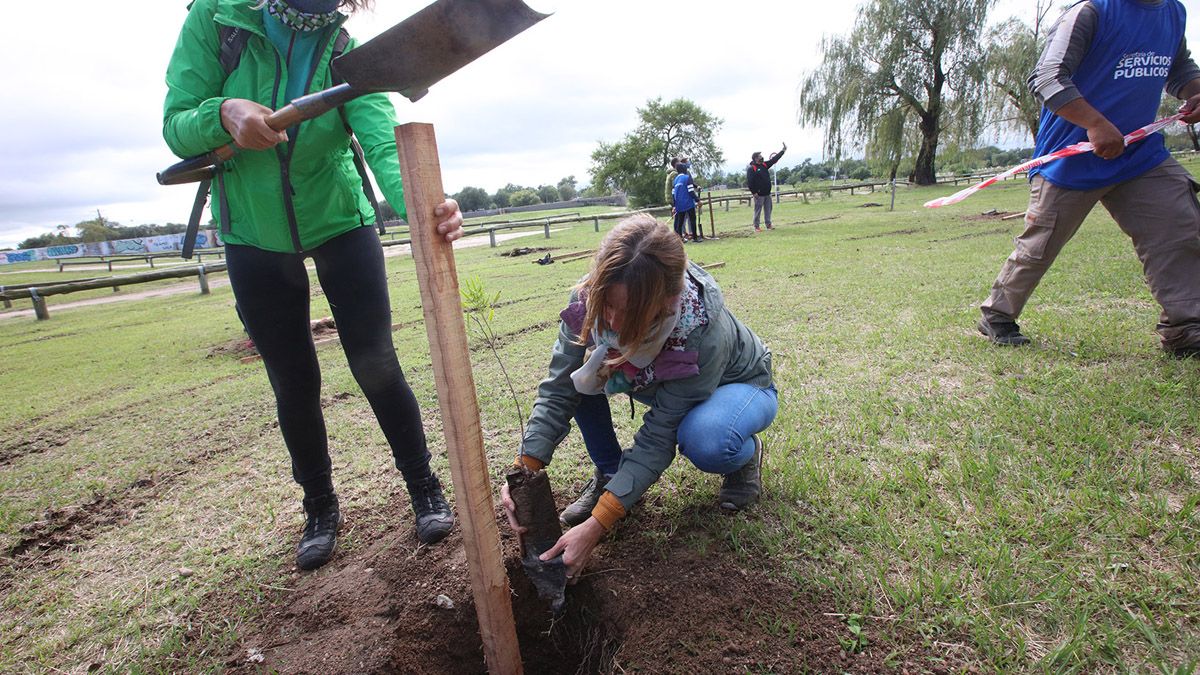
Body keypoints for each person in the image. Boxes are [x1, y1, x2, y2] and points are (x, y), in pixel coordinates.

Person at [163, 0, 465, 571]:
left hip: (339, 219)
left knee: (376, 362)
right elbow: (177, 125)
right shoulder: (219, 21)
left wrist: (426, 207)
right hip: (252, 230)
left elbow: (381, 142)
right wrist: (223, 113)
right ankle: (320, 508)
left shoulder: (348, 50)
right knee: (293, 381)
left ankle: (424, 487)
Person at [501, 214, 777, 580]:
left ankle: (744, 457)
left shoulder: (699, 333)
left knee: (706, 438)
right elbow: (559, 388)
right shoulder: (588, 302)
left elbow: (659, 435)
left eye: (627, 312)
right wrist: (525, 471)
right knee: (582, 376)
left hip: (739, 386)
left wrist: (599, 522)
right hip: (657, 382)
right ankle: (610, 473)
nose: (612, 322)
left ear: (669, 301)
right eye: (607, 305)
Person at [978, 0, 1200, 355]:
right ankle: (998, 315)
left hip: (1140, 153)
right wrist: (1095, 124)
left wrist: (1194, 90)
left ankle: (1187, 327)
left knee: (1180, 225)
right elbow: (1047, 77)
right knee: (1040, 246)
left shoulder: (1173, 11)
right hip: (1074, 156)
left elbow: (1179, 66)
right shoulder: (1091, 12)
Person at [746, 143, 786, 232]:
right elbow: (750, 182)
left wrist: (782, 151)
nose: (762, 157)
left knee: (768, 210)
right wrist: (754, 193)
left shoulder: (764, 165)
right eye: (760, 156)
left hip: (767, 193)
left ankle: (768, 225)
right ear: (756, 158)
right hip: (758, 195)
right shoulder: (751, 168)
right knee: (758, 211)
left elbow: (774, 159)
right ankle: (756, 227)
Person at [672, 159, 704, 242]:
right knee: (692, 220)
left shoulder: (675, 180)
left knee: (680, 222)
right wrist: (698, 200)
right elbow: (691, 191)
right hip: (688, 203)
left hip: (679, 204)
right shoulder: (687, 178)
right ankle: (695, 238)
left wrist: (674, 206)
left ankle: (680, 239)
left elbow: (673, 194)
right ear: (684, 169)